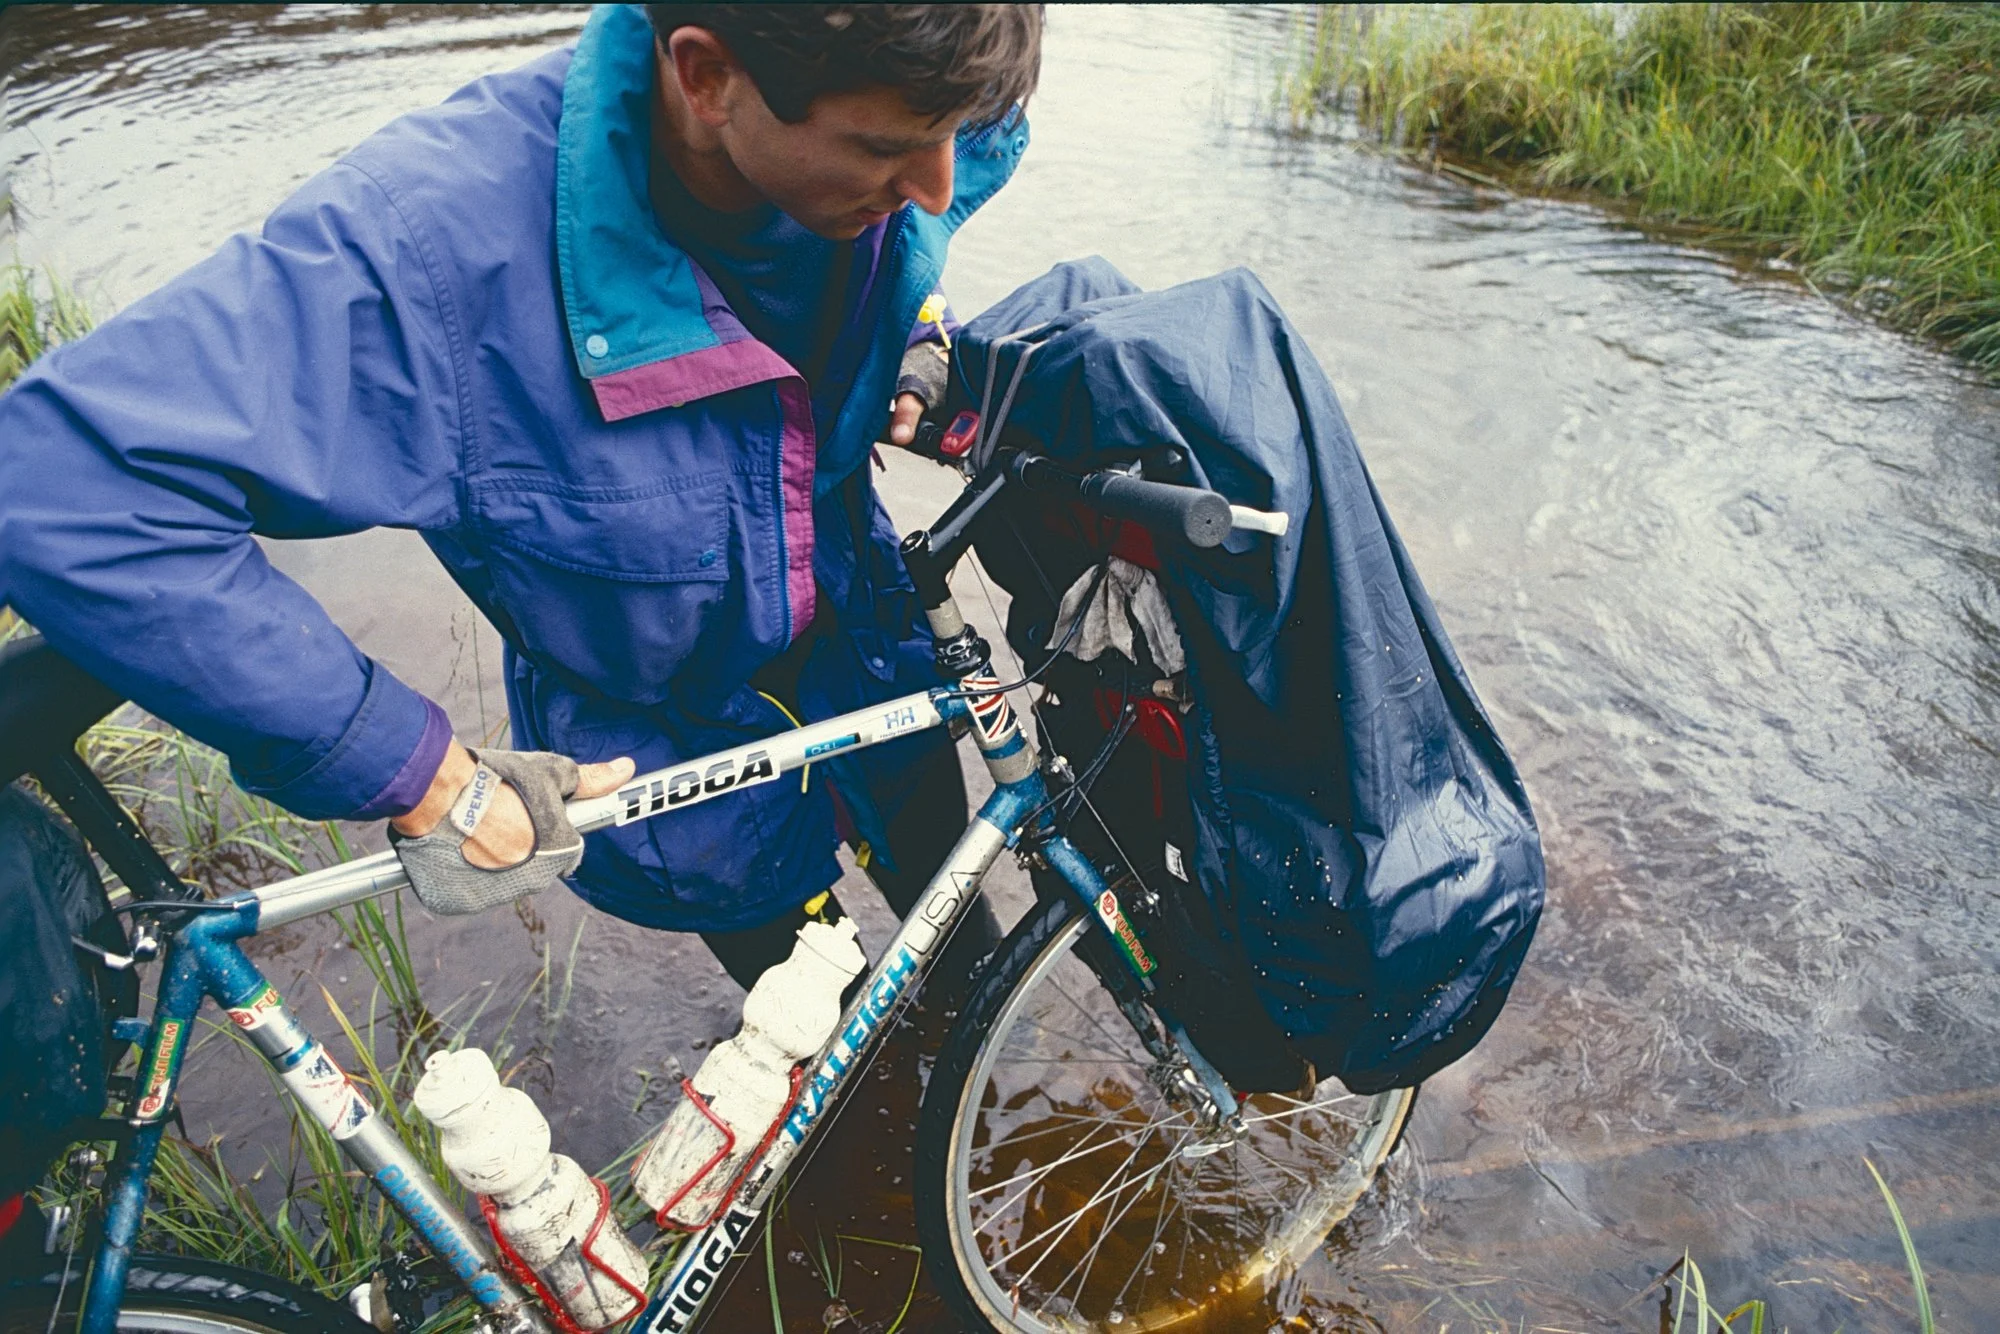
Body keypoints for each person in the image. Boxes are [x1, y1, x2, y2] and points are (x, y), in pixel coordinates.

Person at [0, 5, 1043, 989]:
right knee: (819, 1019)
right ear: (707, 76)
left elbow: (924, 206)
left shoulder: (916, 95)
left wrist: (916, 316)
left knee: (959, 936)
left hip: (867, 649)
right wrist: (417, 771)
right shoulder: (429, 254)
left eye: (961, 130)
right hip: (673, 747)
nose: (938, 183)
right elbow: (60, 481)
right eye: (883, 149)